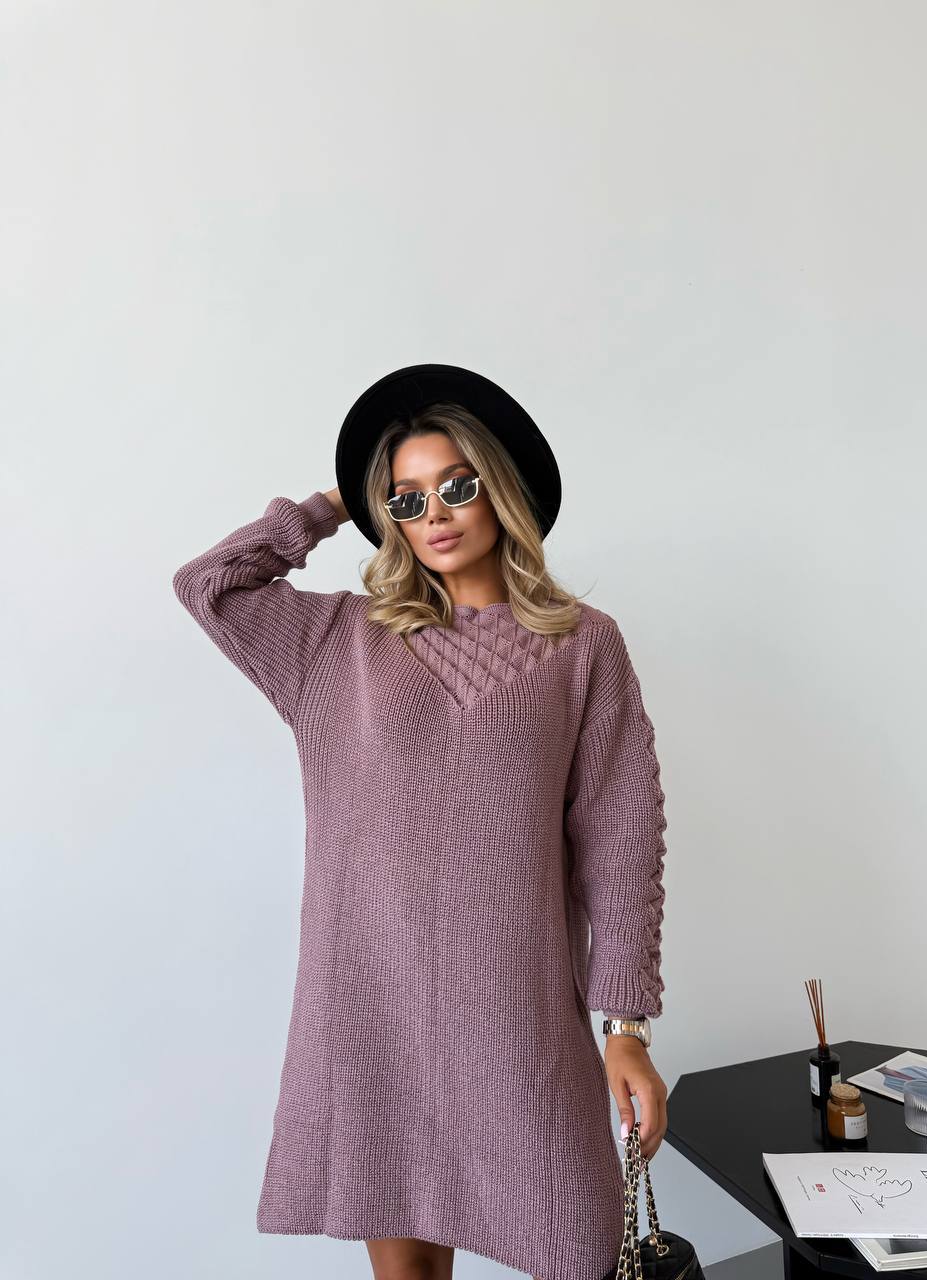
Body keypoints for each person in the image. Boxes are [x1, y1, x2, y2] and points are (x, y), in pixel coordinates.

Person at [172, 368, 668, 1280]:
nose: (433, 513)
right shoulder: (336, 642)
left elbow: (622, 837)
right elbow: (209, 584)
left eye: (456, 486)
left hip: (514, 1010)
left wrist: (625, 1024)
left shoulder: (582, 643)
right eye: (404, 498)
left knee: (575, 1243)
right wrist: (332, 502)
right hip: (370, 1007)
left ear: (499, 489)